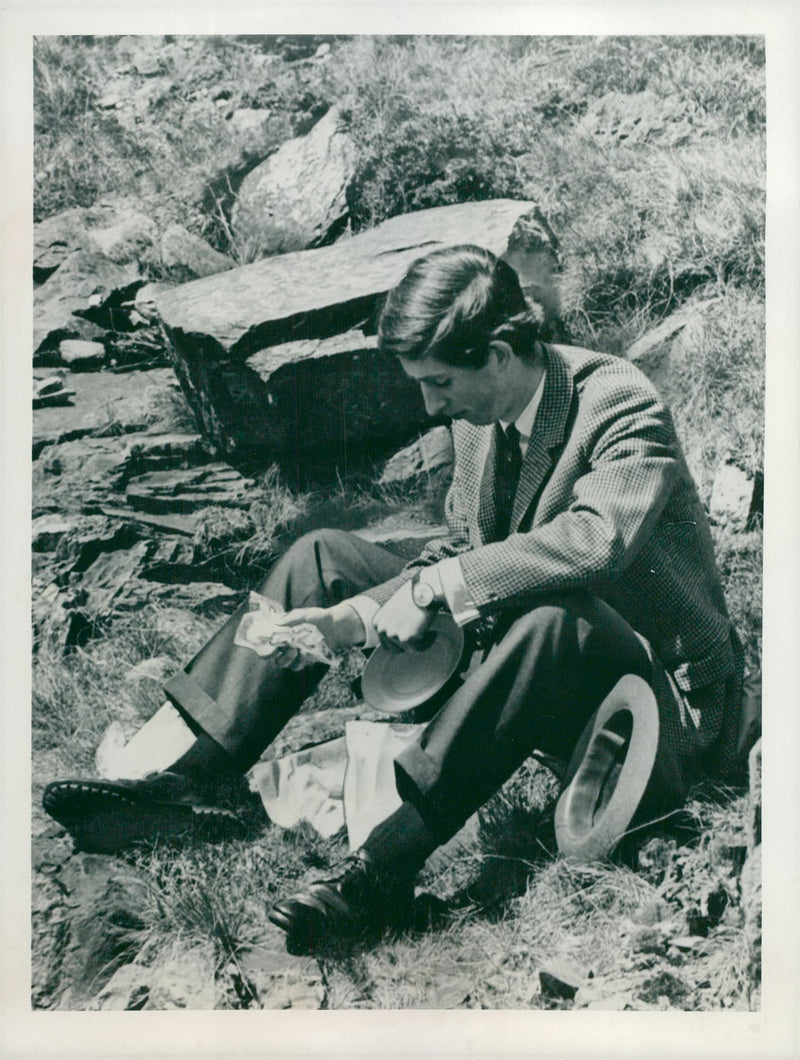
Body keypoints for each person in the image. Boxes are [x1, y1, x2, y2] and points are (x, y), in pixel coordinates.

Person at [44, 244, 744, 956]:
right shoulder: (477, 418)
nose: (430, 405)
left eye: (439, 382)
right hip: (536, 667)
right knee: (320, 557)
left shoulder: (618, 402)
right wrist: (354, 615)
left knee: (555, 619)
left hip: (657, 704)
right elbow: (462, 546)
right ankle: (194, 784)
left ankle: (384, 870)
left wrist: (435, 587)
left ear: (500, 353)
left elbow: (599, 542)